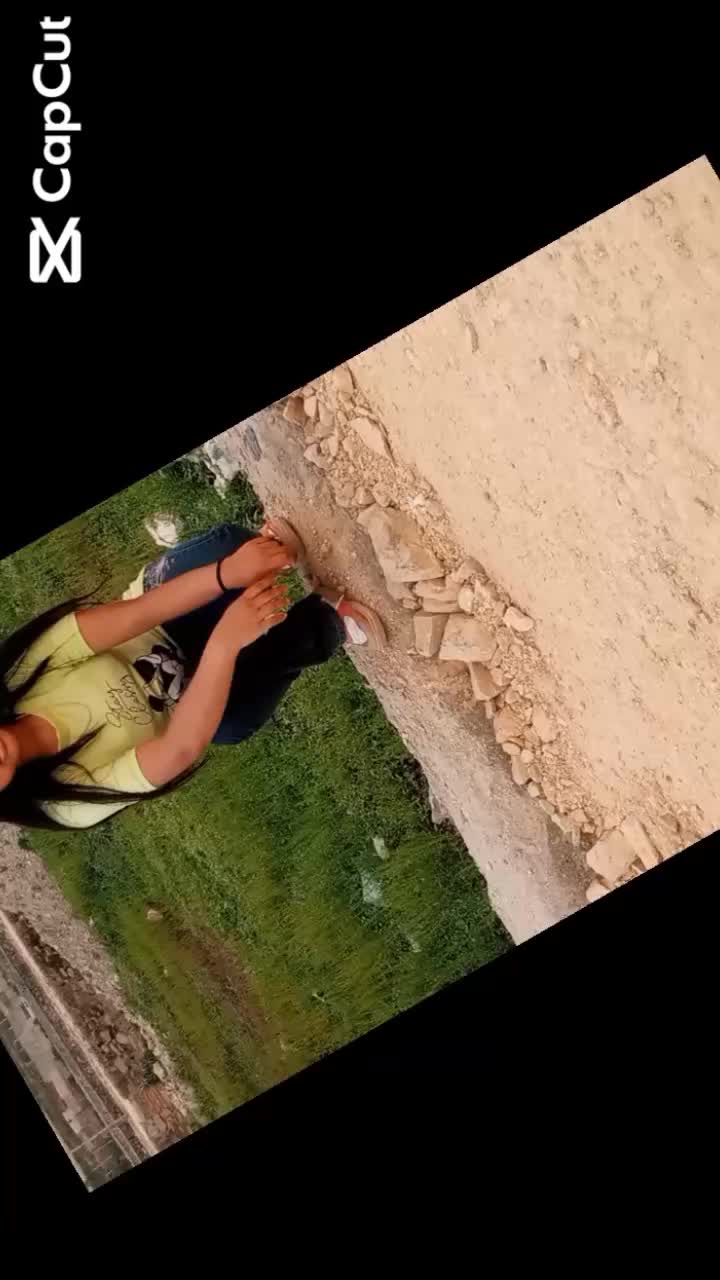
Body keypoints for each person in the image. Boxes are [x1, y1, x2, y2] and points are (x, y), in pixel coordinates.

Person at [0, 518, 385, 831]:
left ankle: (262, 553)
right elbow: (179, 748)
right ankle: (323, 620)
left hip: (158, 618)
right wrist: (225, 643)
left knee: (230, 551)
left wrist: (226, 573)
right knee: (231, 723)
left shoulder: (17, 671)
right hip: (187, 698)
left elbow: (140, 614)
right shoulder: (67, 805)